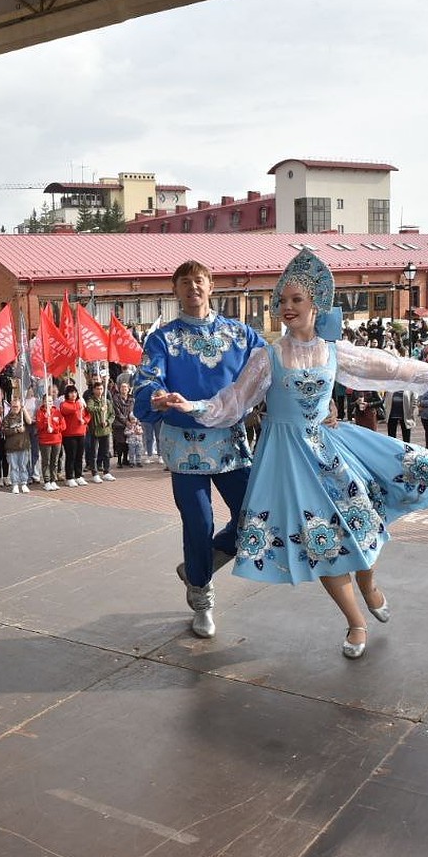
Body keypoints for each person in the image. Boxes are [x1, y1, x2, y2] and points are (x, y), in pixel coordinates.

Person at [164, 250, 428, 658]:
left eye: (296, 300)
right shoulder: (268, 356)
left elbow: (391, 368)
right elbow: (233, 400)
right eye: (282, 301)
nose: (287, 308)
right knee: (324, 543)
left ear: (315, 305)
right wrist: (191, 406)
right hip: (288, 462)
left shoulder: (335, 351)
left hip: (330, 451)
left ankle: (369, 587)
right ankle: (356, 623)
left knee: (365, 525)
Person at [134, 260, 266, 638]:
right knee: (198, 522)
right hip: (184, 445)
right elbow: (148, 377)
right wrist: (155, 396)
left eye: (200, 281)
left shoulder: (240, 335)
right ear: (175, 290)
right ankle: (202, 595)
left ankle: (202, 562)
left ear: (211, 287)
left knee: (253, 514)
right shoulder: (163, 339)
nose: (193, 287)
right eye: (185, 282)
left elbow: (271, 368)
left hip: (229, 441)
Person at [85, 379, 116, 483]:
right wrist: (100, 409)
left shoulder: (106, 401)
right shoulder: (91, 400)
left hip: (105, 430)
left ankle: (106, 471)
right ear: (93, 390)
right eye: (97, 389)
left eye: (101, 388)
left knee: (106, 452)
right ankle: (95, 473)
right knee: (93, 452)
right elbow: (89, 408)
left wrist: (107, 422)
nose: (100, 391)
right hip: (94, 430)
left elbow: (112, 414)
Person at [59, 384, 90, 487]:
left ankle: (79, 475)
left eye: (75, 392)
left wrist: (84, 420)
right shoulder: (64, 404)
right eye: (71, 392)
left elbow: (87, 415)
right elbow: (67, 410)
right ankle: (69, 477)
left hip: (81, 432)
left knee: (79, 456)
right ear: (67, 394)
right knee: (71, 456)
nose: (73, 394)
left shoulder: (80, 403)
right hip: (69, 434)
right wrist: (79, 405)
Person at [0, 396, 32, 494]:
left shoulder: (23, 416)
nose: (15, 408)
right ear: (11, 406)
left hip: (23, 445)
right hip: (12, 447)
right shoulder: (7, 418)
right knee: (14, 467)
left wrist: (24, 410)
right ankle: (15, 484)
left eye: (17, 406)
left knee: (23, 466)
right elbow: (4, 431)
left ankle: (23, 483)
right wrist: (16, 430)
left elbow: (30, 422)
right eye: (13, 407)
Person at [34, 391, 66, 491]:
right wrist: (45, 419)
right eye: (47, 401)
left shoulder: (57, 412)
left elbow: (63, 426)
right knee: (46, 461)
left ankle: (53, 480)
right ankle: (47, 481)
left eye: (51, 401)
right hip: (45, 441)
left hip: (56, 440)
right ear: (43, 402)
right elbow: (39, 426)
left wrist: (54, 428)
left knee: (54, 461)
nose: (49, 403)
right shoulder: (40, 412)